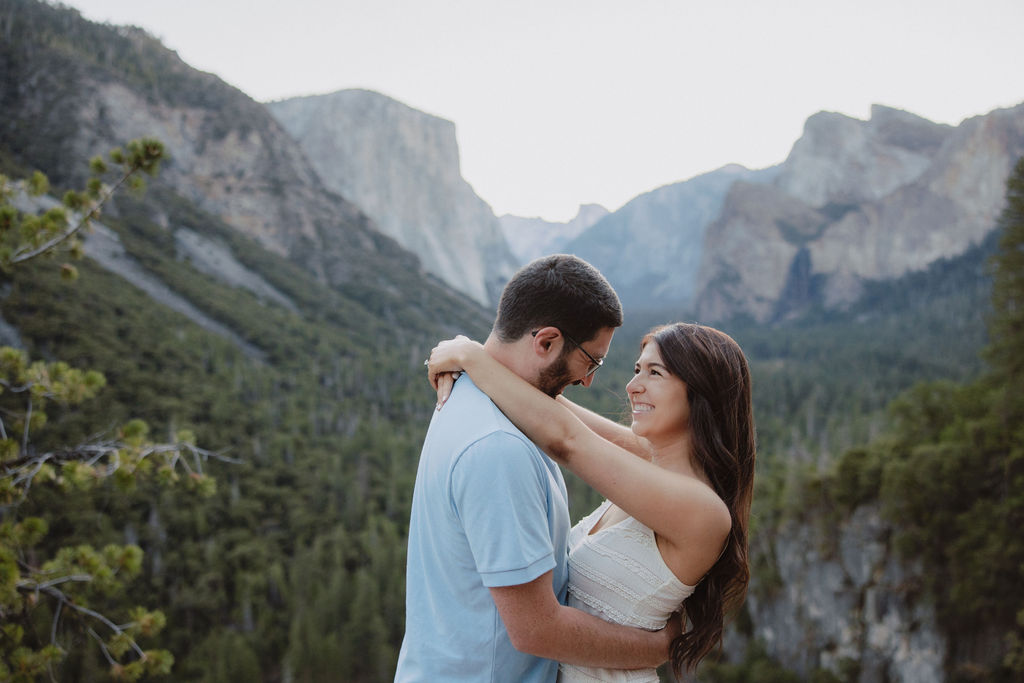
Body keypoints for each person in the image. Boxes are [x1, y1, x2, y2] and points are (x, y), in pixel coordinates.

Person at [395, 254, 678, 682]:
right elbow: (536, 630)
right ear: (546, 342)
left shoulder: (473, 395)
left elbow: (616, 442)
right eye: (592, 361)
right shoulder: (499, 449)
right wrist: (659, 647)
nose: (589, 381)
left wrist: (473, 356)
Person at [426, 322, 756, 682]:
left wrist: (470, 357)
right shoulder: (650, 460)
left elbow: (567, 439)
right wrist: (468, 353)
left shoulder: (702, 511)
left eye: (655, 373)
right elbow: (555, 406)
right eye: (636, 370)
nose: (633, 387)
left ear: (701, 390)